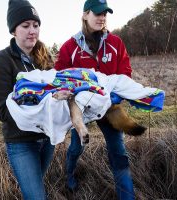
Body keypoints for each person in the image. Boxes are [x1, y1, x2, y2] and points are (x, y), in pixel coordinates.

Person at [54, 0, 135, 199]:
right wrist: (69, 94)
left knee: (119, 153)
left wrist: (118, 93)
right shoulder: (69, 47)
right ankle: (69, 174)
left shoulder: (116, 44)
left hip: (110, 106)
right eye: (97, 13)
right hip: (81, 109)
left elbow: (125, 73)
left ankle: (127, 195)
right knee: (76, 147)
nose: (102, 17)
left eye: (105, 13)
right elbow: (59, 77)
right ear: (84, 15)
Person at [0, 0, 54, 199]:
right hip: (21, 142)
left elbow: (55, 94)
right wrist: (35, 106)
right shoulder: (3, 60)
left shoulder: (45, 58)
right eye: (25, 26)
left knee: (33, 191)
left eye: (36, 25)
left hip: (48, 139)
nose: (32, 31)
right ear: (13, 30)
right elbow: (2, 110)